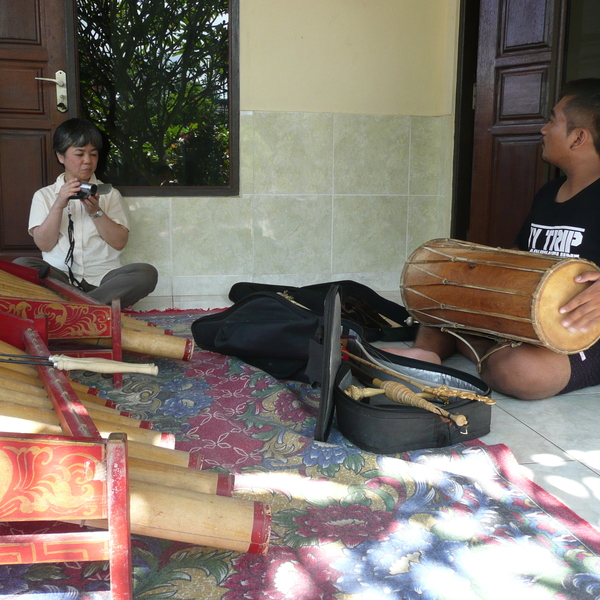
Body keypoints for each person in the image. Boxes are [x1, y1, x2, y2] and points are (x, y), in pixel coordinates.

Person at [386, 78, 600, 400]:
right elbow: (522, 253)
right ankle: (428, 353)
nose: (543, 129)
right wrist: (475, 275)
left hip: (580, 334)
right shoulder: (548, 194)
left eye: (552, 121)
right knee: (445, 288)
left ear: (578, 138)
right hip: (526, 318)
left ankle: (477, 348)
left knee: (525, 374)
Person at [14, 118, 158, 308]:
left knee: (146, 274)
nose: (88, 161)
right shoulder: (45, 196)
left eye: (93, 154)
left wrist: (95, 211)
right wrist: (58, 205)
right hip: (60, 278)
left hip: (104, 279)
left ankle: (74, 309)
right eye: (80, 154)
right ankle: (94, 308)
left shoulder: (109, 194)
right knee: (21, 265)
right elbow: (44, 244)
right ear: (61, 156)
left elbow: (119, 242)